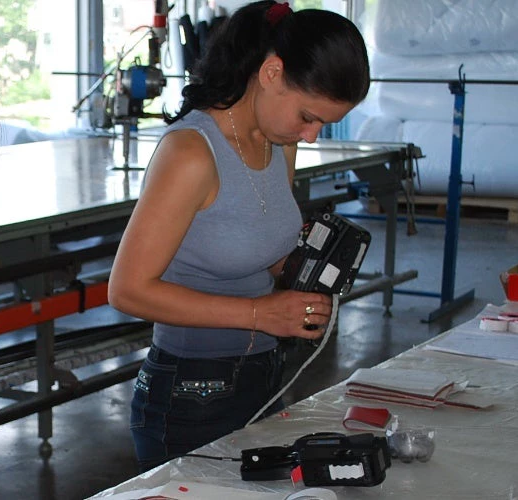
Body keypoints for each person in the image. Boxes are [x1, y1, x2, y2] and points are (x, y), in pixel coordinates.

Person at [107, 0, 369, 472]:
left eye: (322, 125)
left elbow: (258, 251)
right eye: (308, 116)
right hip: (190, 393)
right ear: (271, 73)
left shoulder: (278, 143)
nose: (310, 136)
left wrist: (300, 270)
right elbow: (126, 290)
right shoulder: (191, 153)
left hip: (262, 375)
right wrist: (259, 313)